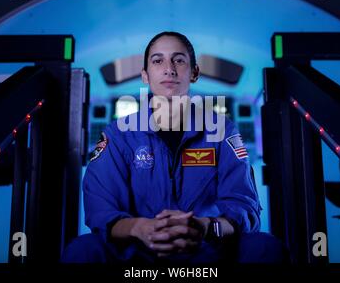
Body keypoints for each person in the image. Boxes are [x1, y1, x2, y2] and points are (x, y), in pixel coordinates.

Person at [61, 31, 288, 263]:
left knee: (266, 248)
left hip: (207, 251)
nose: (169, 69)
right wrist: (140, 228)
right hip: (137, 253)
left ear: (195, 73)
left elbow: (243, 205)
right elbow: (101, 208)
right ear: (145, 76)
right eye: (158, 61)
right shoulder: (118, 134)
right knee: (82, 251)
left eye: (178, 60)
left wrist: (205, 227)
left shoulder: (222, 131)